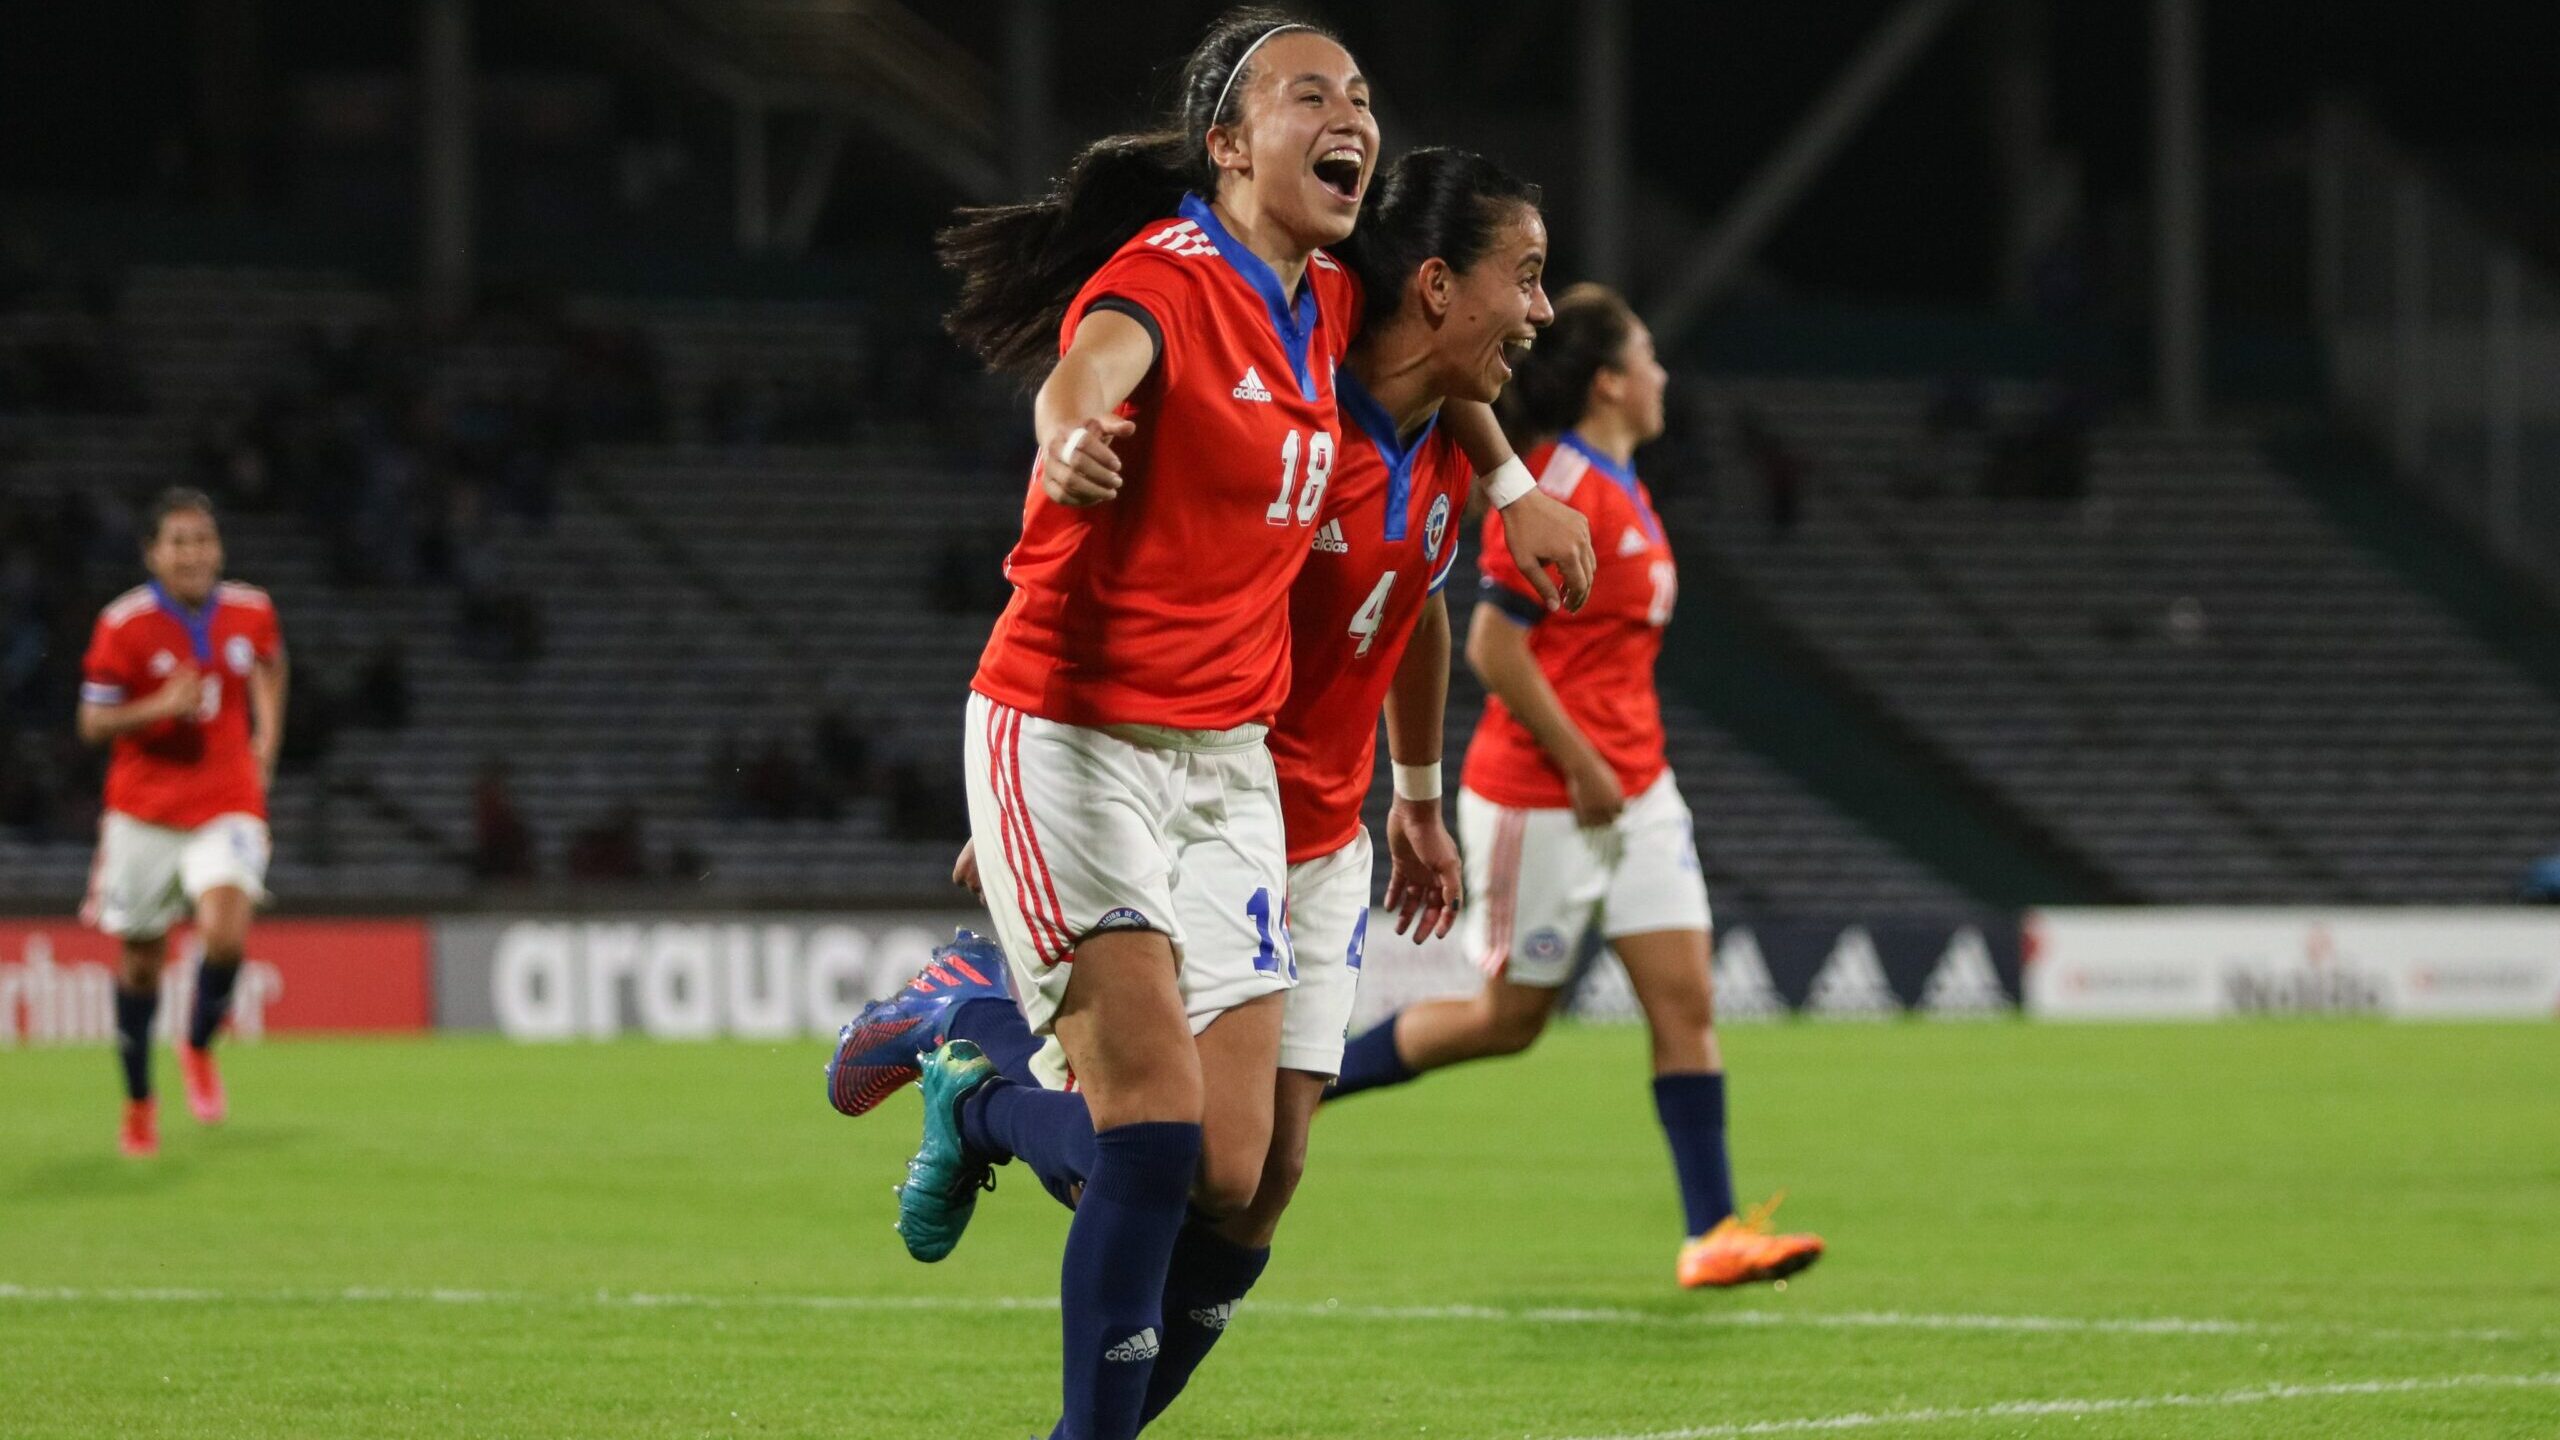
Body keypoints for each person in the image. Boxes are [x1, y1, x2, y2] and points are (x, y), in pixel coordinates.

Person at [829, 13, 1587, 1440]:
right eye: (1313, 95)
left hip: (1259, 788)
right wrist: (1067, 431)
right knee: (1158, 1141)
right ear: (1230, 142)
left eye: (1361, 94)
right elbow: (1090, 362)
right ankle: (968, 1047)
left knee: (1245, 1174)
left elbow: (1414, 568)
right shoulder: (1185, 281)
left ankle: (981, 1083)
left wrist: (1496, 502)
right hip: (1099, 737)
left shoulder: (1329, 318)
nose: (1350, 114)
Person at [1326, 285, 1826, 1290]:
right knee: (1507, 1021)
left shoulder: (1621, 481)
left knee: (1685, 1003)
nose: (1661, 376)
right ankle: (1299, 1084)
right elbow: (1490, 643)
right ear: (1608, 381)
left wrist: (1623, 773)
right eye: (1647, 356)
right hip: (1544, 798)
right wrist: (1584, 762)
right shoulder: (1556, 480)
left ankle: (1711, 1232)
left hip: (1640, 796)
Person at [75, 487, 287, 1158]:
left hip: (226, 799)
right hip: (144, 813)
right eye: (179, 542)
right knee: (140, 965)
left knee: (225, 934)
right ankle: (139, 1101)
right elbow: (92, 723)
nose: (195, 554)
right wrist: (158, 706)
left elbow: (273, 666)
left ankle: (196, 1045)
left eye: (205, 541)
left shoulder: (251, 609)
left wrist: (266, 746)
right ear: (152, 553)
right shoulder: (123, 624)